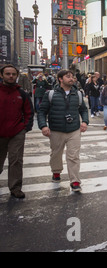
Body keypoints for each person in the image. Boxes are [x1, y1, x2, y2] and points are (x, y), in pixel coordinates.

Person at [37, 70, 89, 192]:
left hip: (74, 130)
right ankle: (56, 172)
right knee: (56, 153)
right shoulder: (50, 94)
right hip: (56, 129)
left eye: (73, 77)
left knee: (73, 156)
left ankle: (75, 181)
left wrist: (85, 122)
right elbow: (42, 111)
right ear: (60, 79)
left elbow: (84, 110)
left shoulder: (78, 94)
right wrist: (43, 126)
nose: (72, 79)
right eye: (68, 76)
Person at [0, 65, 34, 199]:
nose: (10, 76)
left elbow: (29, 112)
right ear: (2, 75)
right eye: (7, 74)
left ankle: (15, 188)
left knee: (16, 161)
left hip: (17, 132)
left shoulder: (22, 93)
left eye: (13, 74)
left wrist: (25, 128)